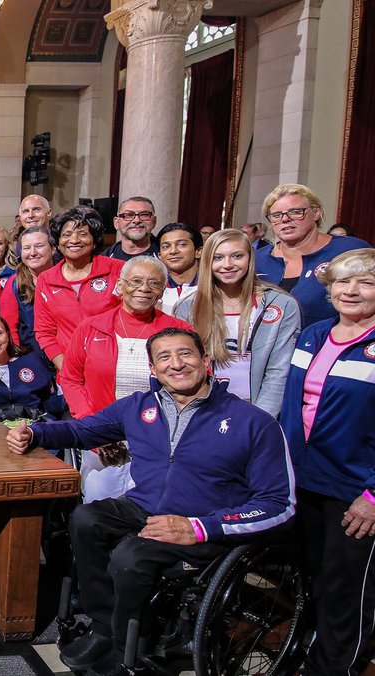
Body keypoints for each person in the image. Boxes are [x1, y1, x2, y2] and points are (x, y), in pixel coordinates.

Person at [7, 328, 295, 676]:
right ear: (153, 368)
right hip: (145, 506)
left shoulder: (253, 422)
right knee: (85, 519)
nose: (177, 364)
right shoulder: (140, 406)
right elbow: (83, 431)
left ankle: (132, 642)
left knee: (131, 557)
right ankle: (105, 627)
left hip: (204, 525)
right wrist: (35, 433)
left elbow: (279, 504)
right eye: (165, 358)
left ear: (205, 361)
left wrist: (199, 527)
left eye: (186, 354)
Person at [278, 249, 375, 676]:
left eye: (366, 282)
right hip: (304, 483)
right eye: (342, 282)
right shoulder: (314, 333)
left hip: (355, 492)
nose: (351, 291)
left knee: (345, 592)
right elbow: (291, 405)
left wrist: (373, 495)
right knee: (313, 580)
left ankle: (337, 669)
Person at [59, 256, 192, 501]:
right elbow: (70, 379)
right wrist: (95, 432)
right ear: (120, 287)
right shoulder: (90, 328)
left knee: (150, 515)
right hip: (103, 442)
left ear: (162, 290)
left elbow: (194, 386)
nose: (144, 288)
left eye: (154, 283)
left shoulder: (180, 333)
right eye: (136, 281)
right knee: (99, 513)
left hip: (159, 443)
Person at [173, 229, 299, 417]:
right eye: (218, 258)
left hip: (259, 413)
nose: (227, 265)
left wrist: (257, 421)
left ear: (250, 258)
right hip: (203, 413)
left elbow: (279, 372)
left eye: (237, 256)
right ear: (207, 261)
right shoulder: (187, 307)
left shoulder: (282, 305)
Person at [255, 183, 369, 327]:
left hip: (333, 344)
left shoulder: (350, 250)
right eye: (276, 215)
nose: (285, 219)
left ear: (316, 213)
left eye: (296, 211)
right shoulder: (257, 260)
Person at [34, 206, 125, 370]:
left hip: (114, 367)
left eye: (83, 234)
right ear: (58, 241)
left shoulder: (118, 270)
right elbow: (44, 332)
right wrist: (67, 369)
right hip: (69, 370)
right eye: (66, 234)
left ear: (94, 239)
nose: (74, 240)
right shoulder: (46, 280)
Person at [0, 226, 56, 353]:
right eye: (26, 248)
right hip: (31, 358)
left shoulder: (66, 277)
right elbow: (10, 328)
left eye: (39, 246)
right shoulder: (14, 284)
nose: (33, 252)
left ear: (53, 249)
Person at [155, 222, 201, 313]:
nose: (173, 251)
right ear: (160, 256)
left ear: (198, 251)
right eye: (166, 246)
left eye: (182, 244)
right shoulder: (154, 289)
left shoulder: (213, 287)